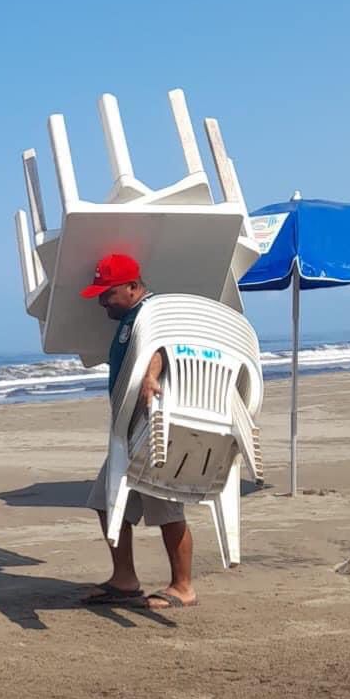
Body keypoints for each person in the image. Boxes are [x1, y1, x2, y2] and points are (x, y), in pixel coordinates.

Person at [78, 254, 196, 610]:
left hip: (153, 424)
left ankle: (183, 587)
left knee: (166, 508)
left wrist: (150, 377)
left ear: (132, 286)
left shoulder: (152, 310)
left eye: (108, 293)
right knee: (105, 501)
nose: (102, 302)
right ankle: (124, 580)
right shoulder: (130, 317)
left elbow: (164, 345)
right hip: (127, 430)